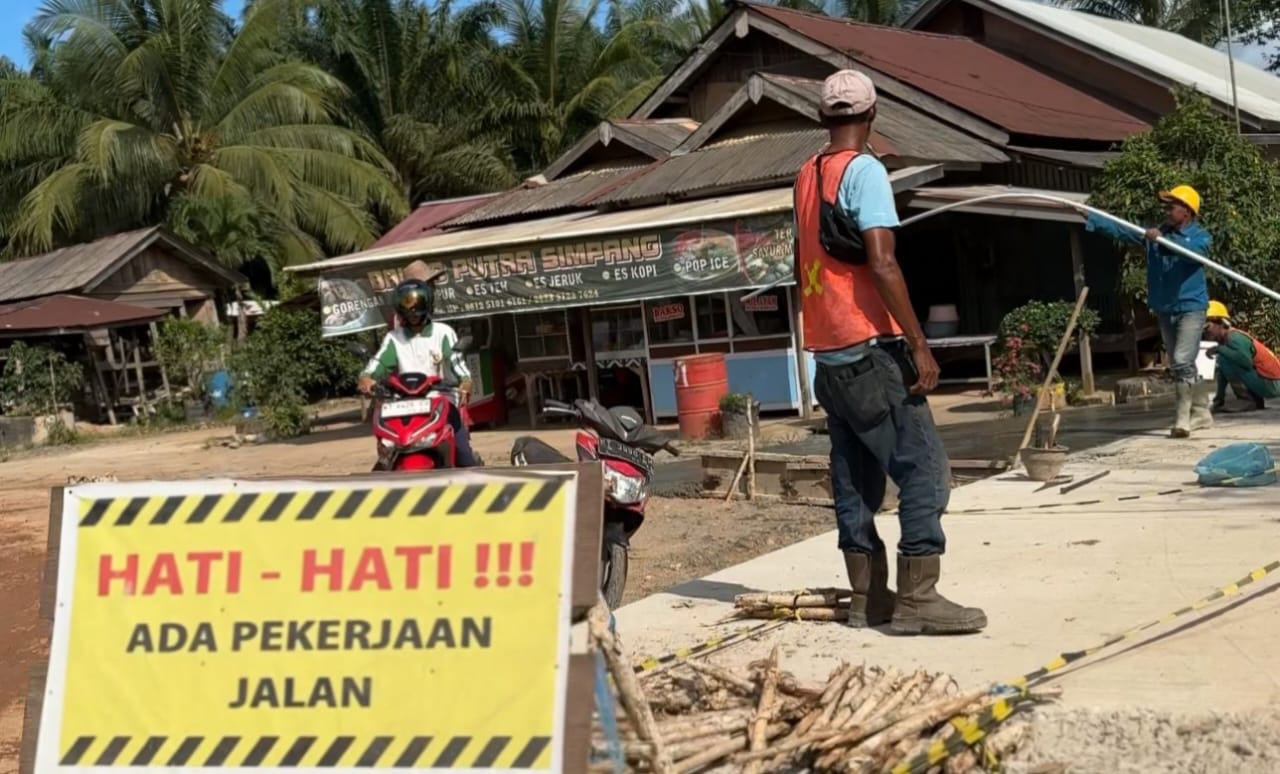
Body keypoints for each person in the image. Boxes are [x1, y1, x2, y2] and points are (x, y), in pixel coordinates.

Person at [793, 69, 986, 636]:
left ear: (823, 119)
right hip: (872, 349)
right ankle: (919, 599)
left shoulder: (806, 175)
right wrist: (920, 345)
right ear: (873, 116)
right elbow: (881, 261)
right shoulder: (865, 171)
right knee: (925, 472)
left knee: (854, 476)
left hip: (829, 356)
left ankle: (867, 597)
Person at [1084, 186, 1212, 437]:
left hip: (1191, 307)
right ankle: (1202, 413)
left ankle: (1183, 417)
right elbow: (1123, 231)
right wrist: (1092, 218)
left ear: (1187, 211)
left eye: (1172, 206)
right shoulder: (1156, 234)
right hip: (1165, 307)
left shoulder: (1200, 237)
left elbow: (1194, 256)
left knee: (1183, 360)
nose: (1167, 210)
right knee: (1179, 364)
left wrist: (1165, 241)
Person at [357, 278, 480, 467]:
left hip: (441, 401)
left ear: (427, 303)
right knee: (384, 460)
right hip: (404, 404)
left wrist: (465, 381)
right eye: (407, 305)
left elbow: (457, 362)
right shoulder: (394, 338)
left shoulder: (443, 332)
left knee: (464, 453)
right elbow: (378, 363)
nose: (413, 311)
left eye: (417, 304)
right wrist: (366, 378)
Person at [1204, 300, 1280, 411]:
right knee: (1224, 362)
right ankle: (1252, 400)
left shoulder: (1234, 337)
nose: (1206, 332)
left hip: (1272, 382)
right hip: (1267, 380)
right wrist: (1218, 401)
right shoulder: (1226, 341)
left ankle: (1247, 400)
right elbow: (1223, 374)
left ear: (1220, 323)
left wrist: (1219, 349)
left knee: (1226, 360)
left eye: (1207, 327)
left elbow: (1245, 361)